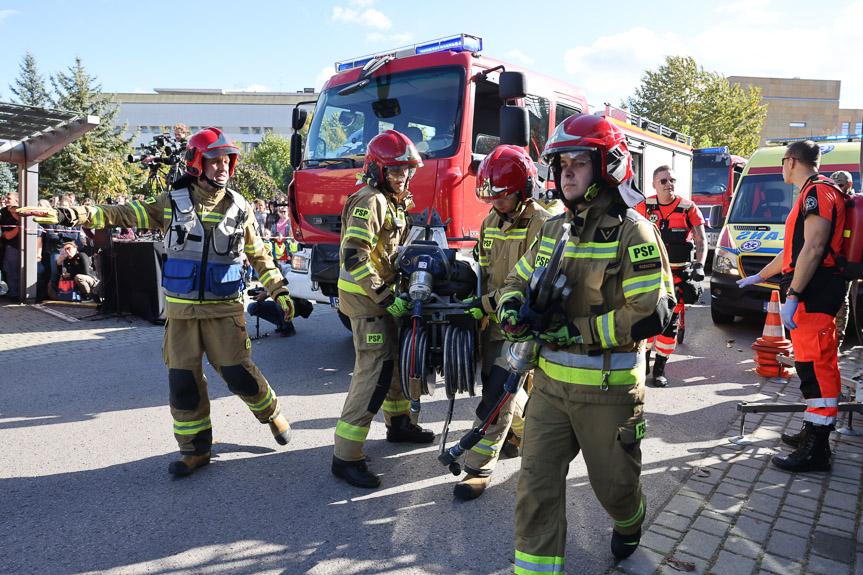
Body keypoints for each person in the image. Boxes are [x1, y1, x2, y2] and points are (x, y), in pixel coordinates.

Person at [18, 127, 295, 477]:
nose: (223, 167)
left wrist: (279, 290)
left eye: (227, 161)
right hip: (180, 316)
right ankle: (195, 450)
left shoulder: (240, 208)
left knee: (239, 376)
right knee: (183, 383)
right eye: (214, 161)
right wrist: (71, 215)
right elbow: (120, 214)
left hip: (225, 312)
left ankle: (271, 413)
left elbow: (260, 255)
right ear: (197, 163)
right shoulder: (171, 203)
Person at [498, 114, 675, 566]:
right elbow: (517, 281)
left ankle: (630, 518)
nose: (567, 172)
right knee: (534, 491)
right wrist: (510, 309)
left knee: (613, 490)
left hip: (608, 393)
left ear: (608, 167)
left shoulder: (634, 230)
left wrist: (574, 331)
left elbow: (646, 315)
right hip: (550, 392)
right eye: (562, 164)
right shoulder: (553, 228)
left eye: (580, 162)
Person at [332, 129, 435, 489]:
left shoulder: (391, 200)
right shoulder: (370, 200)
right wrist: (387, 297)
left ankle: (399, 424)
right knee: (374, 372)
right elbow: (355, 256)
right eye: (394, 171)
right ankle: (346, 456)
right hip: (368, 301)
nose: (401, 176)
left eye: (406, 170)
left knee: (394, 362)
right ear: (376, 170)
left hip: (382, 298)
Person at [738, 141, 846, 473]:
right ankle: (813, 431)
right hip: (811, 291)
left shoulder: (817, 193)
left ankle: (818, 448)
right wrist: (759, 275)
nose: (781, 168)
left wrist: (795, 293)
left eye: (782, 162)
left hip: (814, 292)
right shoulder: (814, 192)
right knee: (810, 367)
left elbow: (813, 248)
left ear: (791, 161)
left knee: (817, 368)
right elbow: (792, 253)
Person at [454, 145, 551, 501]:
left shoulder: (544, 224)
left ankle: (477, 469)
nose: (496, 204)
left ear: (525, 188)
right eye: (491, 197)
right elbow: (483, 265)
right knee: (502, 388)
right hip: (492, 324)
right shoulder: (490, 221)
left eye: (504, 197)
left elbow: (528, 283)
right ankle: (520, 435)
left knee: (497, 396)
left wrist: (486, 304)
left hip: (520, 324)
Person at [636, 166, 707, 387]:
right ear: (654, 184)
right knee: (647, 321)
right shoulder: (644, 206)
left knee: (669, 326)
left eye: (672, 180)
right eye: (663, 180)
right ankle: (644, 366)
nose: (669, 184)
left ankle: (660, 370)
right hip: (650, 275)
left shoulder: (688, 208)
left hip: (677, 277)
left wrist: (700, 265)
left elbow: (701, 239)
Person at [830, 171, 855, 349]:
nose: (838, 187)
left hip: (847, 261)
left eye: (841, 184)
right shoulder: (833, 201)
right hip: (832, 258)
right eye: (836, 184)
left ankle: (836, 342)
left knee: (841, 301)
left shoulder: (855, 205)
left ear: (849, 184)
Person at [246, 286, 313, 337]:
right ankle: (280, 323)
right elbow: (267, 289)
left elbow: (286, 293)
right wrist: (259, 294)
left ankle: (289, 328)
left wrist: (266, 294)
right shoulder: (271, 276)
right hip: (278, 305)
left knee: (281, 302)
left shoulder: (288, 272)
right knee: (252, 308)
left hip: (294, 306)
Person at [1, 192, 21, 299]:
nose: (6, 200)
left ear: (16, 201)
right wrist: (19, 226)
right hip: (11, 247)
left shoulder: (23, 212)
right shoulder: (4, 213)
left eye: (9, 198)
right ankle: (14, 294)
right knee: (10, 271)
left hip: (24, 248)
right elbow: (7, 235)